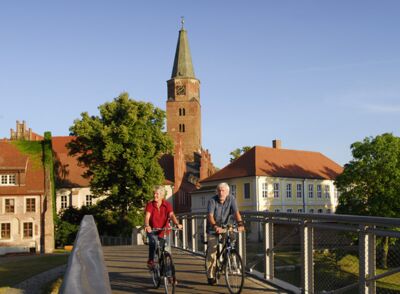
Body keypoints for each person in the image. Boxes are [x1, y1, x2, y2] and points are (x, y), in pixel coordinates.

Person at [205, 182, 245, 285]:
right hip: (213, 228)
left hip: (226, 226)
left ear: (227, 192)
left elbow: (236, 212)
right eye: (219, 191)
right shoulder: (212, 201)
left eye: (223, 191)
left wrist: (240, 224)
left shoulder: (231, 199)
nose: (221, 193)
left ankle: (229, 258)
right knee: (212, 251)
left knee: (232, 239)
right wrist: (215, 226)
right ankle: (210, 275)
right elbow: (210, 216)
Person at [144, 185, 183, 270]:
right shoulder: (150, 205)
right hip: (153, 230)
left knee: (167, 252)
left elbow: (171, 215)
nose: (155, 195)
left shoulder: (167, 205)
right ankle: (151, 260)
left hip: (164, 230)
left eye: (157, 194)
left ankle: (170, 275)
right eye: (154, 193)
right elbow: (147, 217)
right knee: (153, 243)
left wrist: (177, 223)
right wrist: (147, 225)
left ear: (162, 195)